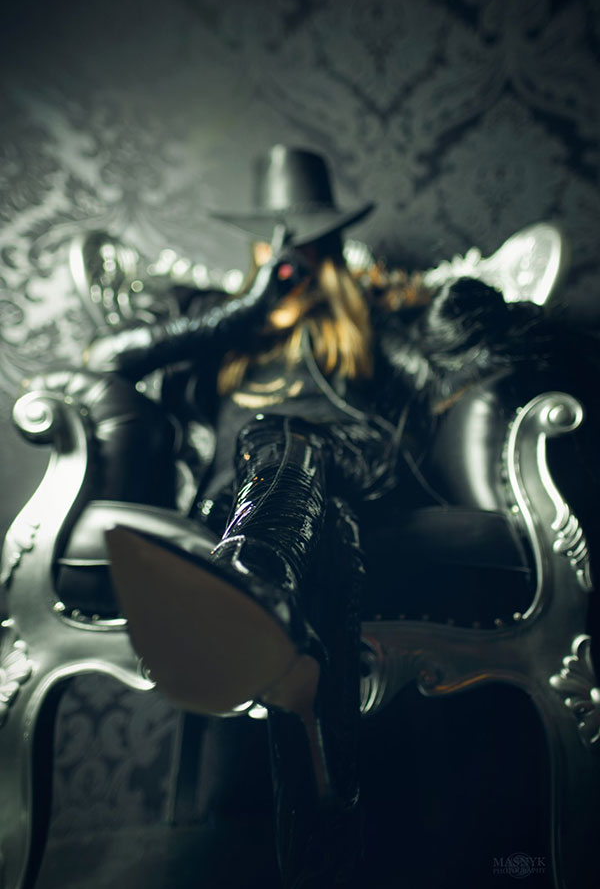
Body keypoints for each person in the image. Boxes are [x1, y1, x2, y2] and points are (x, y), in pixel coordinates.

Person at [83, 145, 554, 887]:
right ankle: (325, 813)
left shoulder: (367, 316)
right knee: (308, 504)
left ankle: (254, 575)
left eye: (311, 243)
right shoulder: (220, 319)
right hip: (243, 491)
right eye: (282, 242)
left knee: (289, 439)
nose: (295, 255)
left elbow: (447, 379)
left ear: (331, 250)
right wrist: (245, 311)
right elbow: (106, 362)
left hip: (349, 463)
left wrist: (471, 324)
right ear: (262, 248)